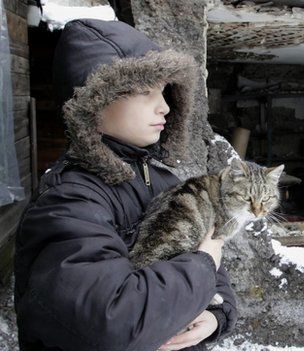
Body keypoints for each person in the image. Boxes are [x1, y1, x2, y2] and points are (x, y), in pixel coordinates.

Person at [13, 19, 237, 351]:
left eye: (163, 90)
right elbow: (115, 320)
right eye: (145, 91)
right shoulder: (69, 201)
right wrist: (202, 267)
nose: (164, 106)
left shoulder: (165, 180)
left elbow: (206, 256)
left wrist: (217, 313)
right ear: (94, 101)